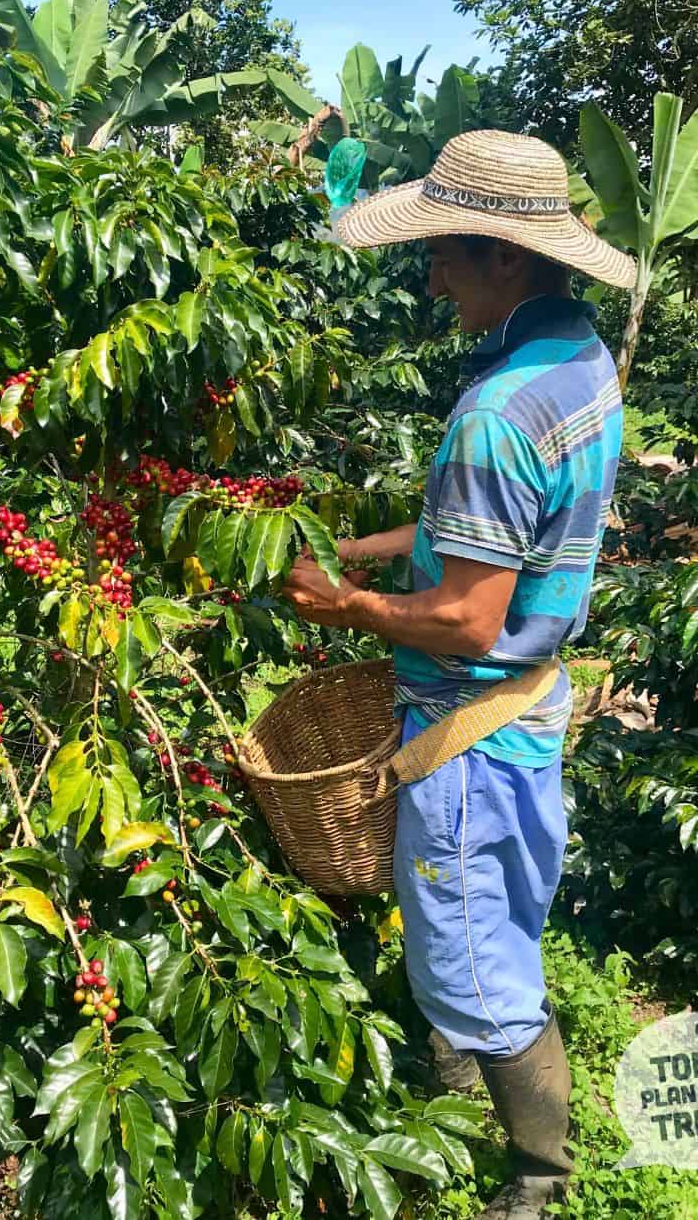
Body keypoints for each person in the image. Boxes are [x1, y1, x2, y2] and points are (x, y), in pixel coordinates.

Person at [282, 129, 636, 1219]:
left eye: (447, 254)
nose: (431, 277)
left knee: (478, 964)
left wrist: (346, 609)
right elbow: (485, 542)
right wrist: (359, 553)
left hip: (473, 732)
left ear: (510, 259)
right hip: (529, 712)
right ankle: (458, 1085)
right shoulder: (576, 361)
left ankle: (535, 1181)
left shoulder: (492, 414)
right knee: (490, 930)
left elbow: (467, 619)